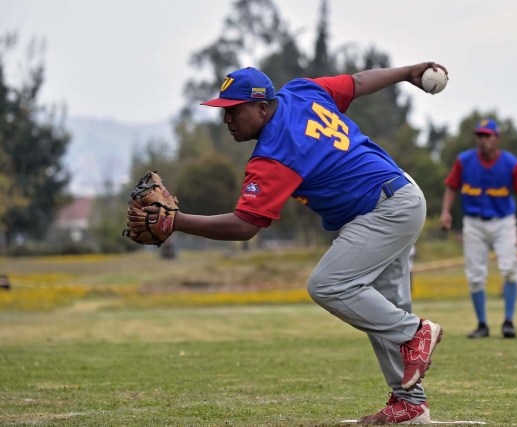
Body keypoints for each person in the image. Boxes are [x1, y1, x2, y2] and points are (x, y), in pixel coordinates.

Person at [129, 64, 447, 424]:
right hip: (399, 195)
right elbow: (358, 83)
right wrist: (407, 72)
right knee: (383, 308)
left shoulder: (274, 153)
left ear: (262, 108)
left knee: (329, 285)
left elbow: (245, 225)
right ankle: (409, 403)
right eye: (224, 110)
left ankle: (415, 332)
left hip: (384, 209)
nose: (227, 118)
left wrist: (178, 222)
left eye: (234, 109)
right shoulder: (301, 91)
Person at [439, 119, 517, 339]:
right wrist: (446, 212)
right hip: (473, 222)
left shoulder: (511, 163)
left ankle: (509, 322)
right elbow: (451, 186)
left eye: (488, 135)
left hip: (503, 222)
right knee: (475, 276)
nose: (483, 140)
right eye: (480, 136)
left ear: (497, 138)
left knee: (510, 269)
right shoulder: (464, 160)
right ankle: (482, 324)